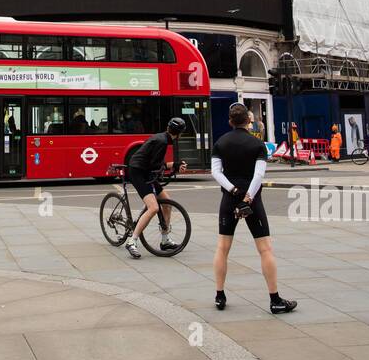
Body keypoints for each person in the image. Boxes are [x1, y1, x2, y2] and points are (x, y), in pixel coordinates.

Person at [210, 103, 297, 314]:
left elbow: (216, 173)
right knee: (265, 249)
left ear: (230, 121)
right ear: (249, 121)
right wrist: (248, 197)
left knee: (222, 248)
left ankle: (219, 295)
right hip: (252, 200)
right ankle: (275, 300)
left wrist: (233, 190)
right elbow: (259, 175)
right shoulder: (257, 145)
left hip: (229, 199)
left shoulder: (220, 143)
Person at [122, 118, 189, 258]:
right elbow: (155, 166)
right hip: (138, 172)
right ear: (179, 134)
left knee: (167, 203)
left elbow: (157, 164)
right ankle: (132, 241)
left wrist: (174, 165)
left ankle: (165, 241)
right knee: (153, 208)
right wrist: (175, 165)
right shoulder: (162, 141)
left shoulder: (162, 138)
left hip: (146, 171)